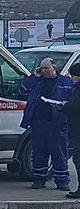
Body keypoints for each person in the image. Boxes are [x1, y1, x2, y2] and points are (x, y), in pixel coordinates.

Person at [19, 57, 74, 190]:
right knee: (39, 153)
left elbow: (73, 98)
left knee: (59, 153)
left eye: (46, 68)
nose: (43, 71)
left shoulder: (65, 82)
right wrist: (34, 76)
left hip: (58, 123)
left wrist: (65, 105)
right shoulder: (37, 81)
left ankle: (62, 182)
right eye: (42, 68)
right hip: (39, 122)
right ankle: (38, 180)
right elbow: (21, 89)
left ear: (54, 68)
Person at [61, 63, 80, 198]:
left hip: (78, 131)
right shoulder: (76, 89)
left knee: (78, 159)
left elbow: (77, 107)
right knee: (77, 159)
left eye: (72, 75)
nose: (71, 78)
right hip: (75, 129)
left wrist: (66, 105)